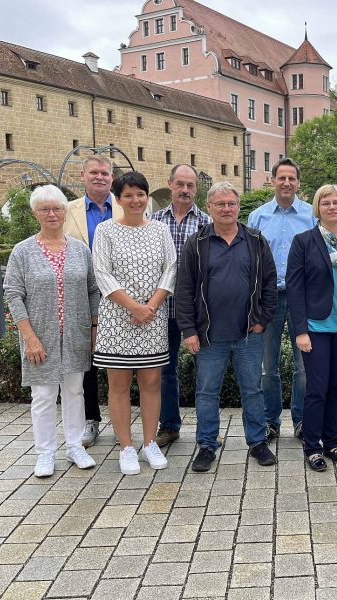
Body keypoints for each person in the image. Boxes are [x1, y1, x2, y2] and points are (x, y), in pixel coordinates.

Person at [175, 182, 278, 473]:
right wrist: (189, 330)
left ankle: (257, 442)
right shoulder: (196, 243)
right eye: (220, 204)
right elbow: (184, 290)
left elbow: (270, 283)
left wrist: (263, 319)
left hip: (248, 333)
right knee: (207, 393)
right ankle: (207, 446)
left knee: (253, 390)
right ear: (209, 208)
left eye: (231, 203)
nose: (226, 209)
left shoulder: (256, 241)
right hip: (209, 337)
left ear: (238, 206)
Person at [4, 185, 100, 477]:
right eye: (45, 209)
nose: (52, 214)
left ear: (65, 211)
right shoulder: (23, 251)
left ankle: (74, 446)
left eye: (57, 208)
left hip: (75, 335)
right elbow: (13, 294)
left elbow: (93, 291)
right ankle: (45, 453)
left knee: (74, 390)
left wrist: (94, 330)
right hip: (40, 337)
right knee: (44, 395)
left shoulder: (81, 250)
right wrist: (29, 337)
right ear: (36, 214)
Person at [92, 171, 177, 476]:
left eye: (140, 194)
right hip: (118, 318)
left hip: (152, 319)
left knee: (152, 383)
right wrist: (133, 306)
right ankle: (126, 446)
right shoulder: (105, 231)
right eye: (128, 195)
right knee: (119, 385)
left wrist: (150, 306)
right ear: (118, 198)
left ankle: (150, 442)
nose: (135, 200)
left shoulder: (160, 230)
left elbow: (171, 268)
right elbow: (102, 273)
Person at [287, 185, 337, 471]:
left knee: (336, 388)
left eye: (336, 202)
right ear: (317, 208)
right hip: (315, 327)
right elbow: (295, 290)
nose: (332, 207)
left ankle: (332, 443)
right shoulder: (304, 242)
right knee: (316, 389)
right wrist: (300, 331)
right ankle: (312, 447)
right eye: (326, 203)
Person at [247, 158, 314, 441]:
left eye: (292, 178)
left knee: (304, 366)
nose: (287, 183)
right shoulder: (258, 217)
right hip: (268, 297)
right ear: (272, 181)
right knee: (268, 366)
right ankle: (270, 420)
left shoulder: (312, 215)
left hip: (303, 298)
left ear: (298, 183)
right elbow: (250, 261)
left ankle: (301, 420)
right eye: (282, 178)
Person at [63, 155, 122, 448]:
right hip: (83, 294)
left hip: (123, 294)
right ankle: (91, 418)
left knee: (125, 358)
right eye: (93, 173)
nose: (99, 177)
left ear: (112, 177)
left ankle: (124, 418)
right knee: (87, 358)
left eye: (105, 173)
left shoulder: (127, 205)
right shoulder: (68, 210)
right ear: (83, 176)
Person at [151, 164, 211, 448]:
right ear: (170, 184)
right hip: (161, 309)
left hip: (197, 311)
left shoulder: (206, 223)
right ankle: (170, 425)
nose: (185, 190)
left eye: (190, 185)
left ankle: (207, 429)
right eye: (180, 184)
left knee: (206, 370)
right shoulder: (153, 221)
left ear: (196, 189)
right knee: (166, 369)